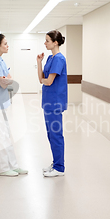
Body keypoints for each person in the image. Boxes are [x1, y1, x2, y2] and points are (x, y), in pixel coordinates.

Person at [0, 33, 28, 177]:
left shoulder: (0, 60)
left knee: (7, 135)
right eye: (5, 44)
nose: (7, 46)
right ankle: (3, 168)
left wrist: (7, 80)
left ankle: (13, 165)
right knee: (0, 137)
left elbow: (7, 79)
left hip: (2, 102)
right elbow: (4, 83)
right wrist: (7, 80)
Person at [36, 30, 67, 177]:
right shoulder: (50, 58)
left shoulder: (59, 59)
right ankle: (55, 163)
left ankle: (59, 168)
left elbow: (48, 81)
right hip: (48, 102)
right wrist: (39, 62)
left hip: (55, 103)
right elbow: (41, 78)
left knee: (56, 135)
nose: (45, 43)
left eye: (47, 40)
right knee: (50, 135)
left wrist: (44, 81)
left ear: (55, 42)